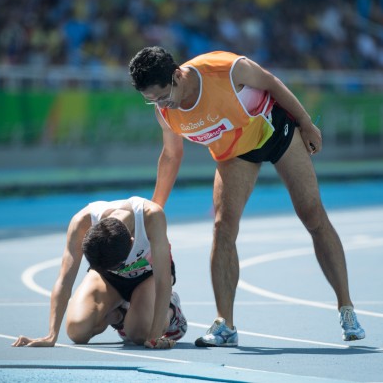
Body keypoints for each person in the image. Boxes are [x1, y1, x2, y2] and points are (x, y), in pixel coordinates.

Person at [128, 47, 365, 347]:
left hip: (275, 132)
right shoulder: (164, 110)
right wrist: (155, 210)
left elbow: (271, 83)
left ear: (177, 75)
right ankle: (224, 324)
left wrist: (306, 123)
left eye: (163, 96)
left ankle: (346, 308)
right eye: (152, 99)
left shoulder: (224, 69)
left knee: (312, 215)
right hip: (234, 155)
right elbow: (171, 154)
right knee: (222, 228)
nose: (161, 104)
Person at [12, 196, 187, 349]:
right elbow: (65, 280)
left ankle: (172, 312)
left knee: (140, 335)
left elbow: (163, 280)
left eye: (117, 265)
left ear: (132, 241)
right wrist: (51, 335)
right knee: (77, 331)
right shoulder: (82, 221)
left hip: (148, 275)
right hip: (107, 279)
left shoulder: (151, 216)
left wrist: (154, 336)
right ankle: (121, 316)